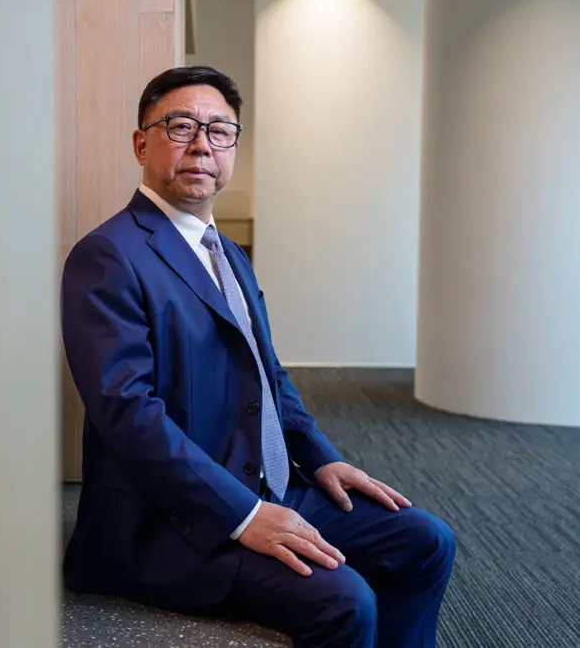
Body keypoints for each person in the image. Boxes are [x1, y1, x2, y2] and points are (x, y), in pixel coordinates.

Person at [60, 65, 456, 648]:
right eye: (180, 127)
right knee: (347, 601)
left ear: (233, 149)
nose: (202, 145)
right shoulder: (108, 256)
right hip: (168, 521)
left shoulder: (229, 254)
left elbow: (267, 373)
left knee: (426, 541)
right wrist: (242, 515)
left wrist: (320, 457)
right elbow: (128, 417)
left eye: (220, 131)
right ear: (142, 144)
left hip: (268, 483)